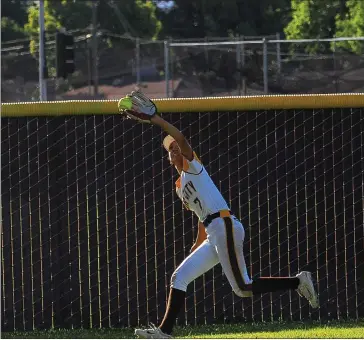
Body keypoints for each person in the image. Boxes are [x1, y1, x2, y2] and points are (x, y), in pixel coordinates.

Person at [118, 91, 319, 339]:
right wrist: (196, 243)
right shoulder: (180, 187)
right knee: (179, 277)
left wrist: (156, 120)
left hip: (224, 224)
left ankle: (298, 282)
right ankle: (164, 332)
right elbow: (201, 216)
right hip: (212, 231)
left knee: (243, 287)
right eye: (170, 150)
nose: (174, 151)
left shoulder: (194, 168)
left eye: (175, 148)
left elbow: (180, 137)